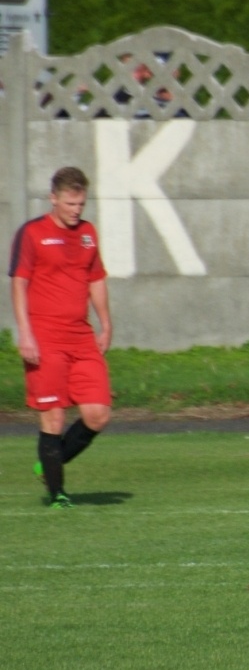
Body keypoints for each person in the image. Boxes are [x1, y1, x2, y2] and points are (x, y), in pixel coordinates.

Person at [9, 166, 113, 509]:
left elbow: (95, 279)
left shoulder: (88, 234)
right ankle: (58, 495)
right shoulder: (33, 233)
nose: (76, 210)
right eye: (70, 203)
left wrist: (106, 323)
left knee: (97, 414)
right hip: (45, 336)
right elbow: (20, 283)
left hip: (80, 336)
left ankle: (49, 465)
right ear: (53, 198)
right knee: (53, 416)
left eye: (81, 203)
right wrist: (25, 332)